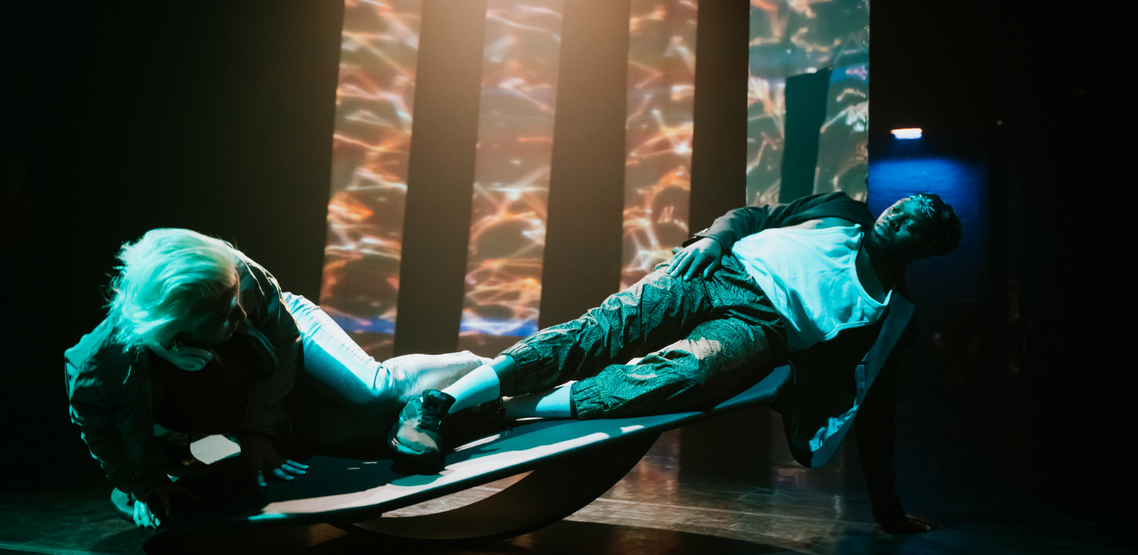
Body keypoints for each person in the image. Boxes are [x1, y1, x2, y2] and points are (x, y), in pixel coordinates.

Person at [388, 191, 961, 534]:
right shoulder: (841, 211)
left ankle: (502, 410)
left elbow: (874, 409)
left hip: (760, 328)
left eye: (914, 221)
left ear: (928, 248)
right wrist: (712, 239)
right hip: (717, 269)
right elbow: (755, 213)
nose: (896, 216)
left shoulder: (891, 314)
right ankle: (437, 405)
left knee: (684, 376)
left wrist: (889, 511)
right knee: (599, 331)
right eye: (902, 205)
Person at [64, 228, 487, 529]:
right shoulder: (103, 364)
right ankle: (458, 399)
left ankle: (481, 366)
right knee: (371, 431)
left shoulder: (233, 274)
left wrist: (256, 428)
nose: (240, 313)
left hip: (287, 330)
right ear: (178, 329)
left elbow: (283, 341)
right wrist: (144, 482)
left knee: (374, 394)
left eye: (236, 297)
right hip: (255, 386)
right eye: (224, 314)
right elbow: (97, 426)